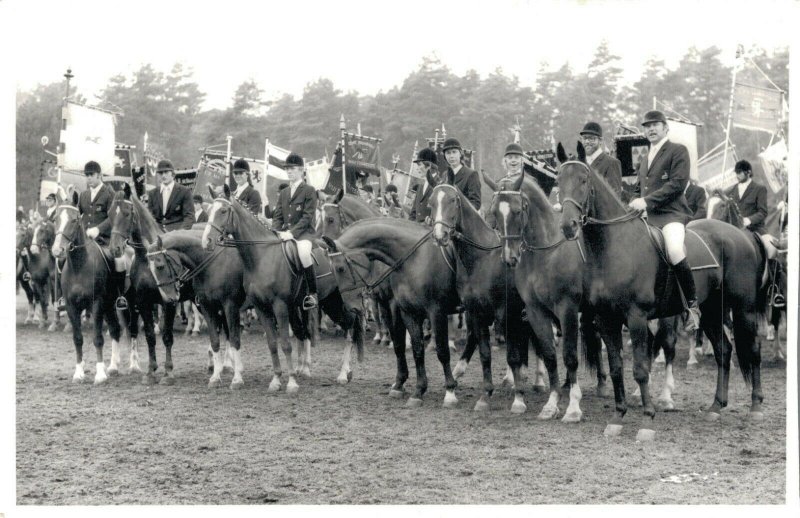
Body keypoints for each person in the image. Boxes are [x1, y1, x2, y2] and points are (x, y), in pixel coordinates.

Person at [629, 110, 700, 331]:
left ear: (665, 128)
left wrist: (646, 202)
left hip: (671, 215)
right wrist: (631, 201)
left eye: (655, 125)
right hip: (647, 219)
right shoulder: (644, 159)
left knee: (675, 250)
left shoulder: (678, 150)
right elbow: (637, 189)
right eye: (647, 126)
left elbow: (677, 184)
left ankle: (692, 306)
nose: (650, 129)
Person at [272, 152, 319, 309]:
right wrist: (275, 232)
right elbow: (278, 216)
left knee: (303, 252)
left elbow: (307, 217)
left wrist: (292, 233)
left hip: (304, 234)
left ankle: (312, 293)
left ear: (301, 170)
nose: (289, 171)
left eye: (292, 169)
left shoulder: (309, 190)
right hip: (284, 233)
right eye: (287, 169)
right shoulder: (284, 192)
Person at [147, 159, 193, 231]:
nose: (163, 175)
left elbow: (189, 216)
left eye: (166, 172)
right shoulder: (152, 193)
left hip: (177, 234)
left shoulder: (184, 191)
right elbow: (150, 216)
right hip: (158, 233)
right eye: (160, 173)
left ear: (173, 174)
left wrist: (180, 232)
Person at [580, 122, 622, 197]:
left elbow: (614, 196)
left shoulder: (611, 163)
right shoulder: (580, 163)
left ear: (600, 141)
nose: (587, 142)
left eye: (591, 138)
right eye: (584, 138)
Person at [726, 159, 768, 234]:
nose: (737, 175)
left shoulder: (760, 189)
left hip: (755, 230)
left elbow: (763, 212)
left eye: (739, 172)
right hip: (736, 231)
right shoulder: (731, 190)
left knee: (768, 245)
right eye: (736, 173)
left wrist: (749, 220)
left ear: (748, 172)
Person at [442, 138, 482, 210]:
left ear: (460, 153)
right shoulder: (445, 175)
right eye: (448, 153)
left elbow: (476, 203)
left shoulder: (471, 174)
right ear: (444, 156)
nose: (451, 156)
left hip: (464, 218)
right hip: (446, 219)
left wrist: (457, 211)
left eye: (454, 152)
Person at [408, 147, 439, 223]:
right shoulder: (420, 186)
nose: (417, 168)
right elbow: (413, 212)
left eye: (419, 165)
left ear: (429, 166)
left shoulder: (440, 184)